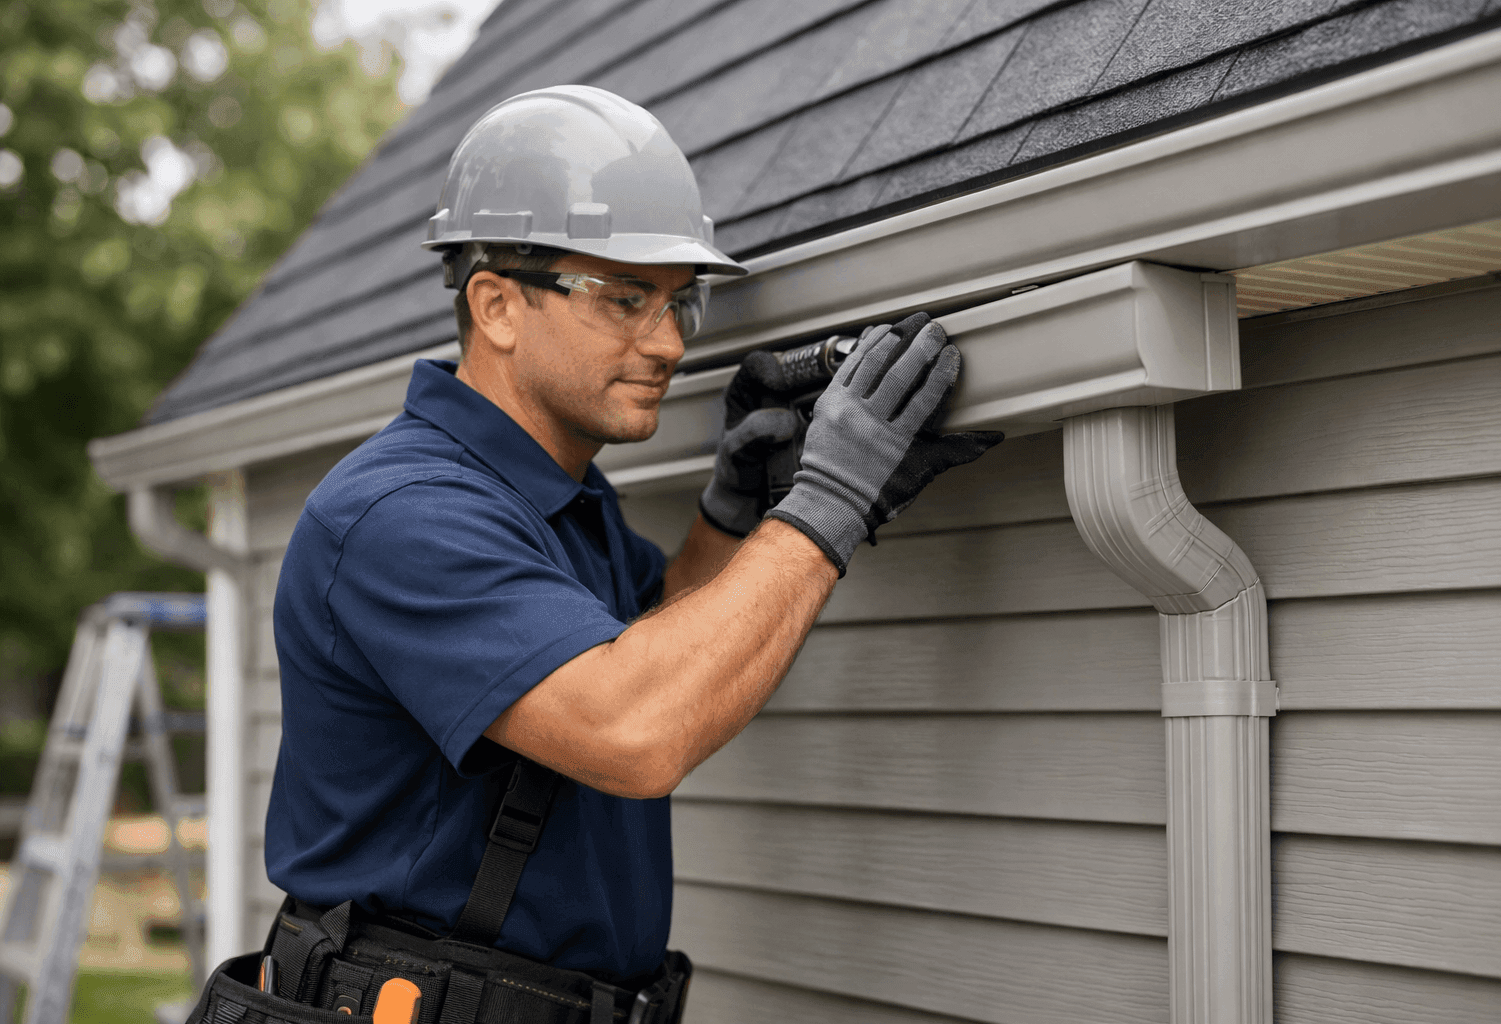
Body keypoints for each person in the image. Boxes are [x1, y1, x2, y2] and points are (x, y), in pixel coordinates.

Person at [261, 86, 1001, 1024]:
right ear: (496, 306)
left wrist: (737, 517)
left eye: (677, 304)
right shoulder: (402, 514)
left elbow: (656, 647)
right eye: (623, 300)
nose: (667, 345)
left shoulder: (564, 503)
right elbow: (632, 726)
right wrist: (828, 500)